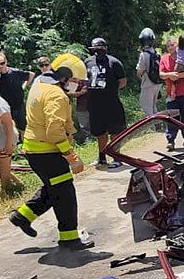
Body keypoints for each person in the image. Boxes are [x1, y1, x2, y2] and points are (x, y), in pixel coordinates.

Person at [10, 64, 94, 251]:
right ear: (65, 79)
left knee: (54, 188)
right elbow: (55, 131)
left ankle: (23, 216)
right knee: (65, 195)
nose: (78, 86)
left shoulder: (39, 85)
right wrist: (71, 156)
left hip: (35, 150)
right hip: (48, 152)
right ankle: (69, 238)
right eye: (76, 82)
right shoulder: (56, 95)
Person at [85, 38, 127, 168]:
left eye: (100, 49)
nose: (97, 52)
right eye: (95, 50)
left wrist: (109, 90)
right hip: (94, 104)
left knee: (115, 132)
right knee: (100, 132)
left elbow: (123, 82)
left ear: (106, 48)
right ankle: (102, 158)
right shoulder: (88, 62)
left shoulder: (114, 62)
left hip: (111, 103)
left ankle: (116, 158)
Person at [159, 38, 184, 151]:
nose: (171, 47)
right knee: (172, 118)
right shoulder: (164, 59)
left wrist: (178, 76)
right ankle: (171, 140)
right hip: (172, 95)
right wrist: (170, 74)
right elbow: (161, 74)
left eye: (173, 45)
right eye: (168, 46)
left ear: (177, 46)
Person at [0, 53, 35, 138]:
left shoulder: (15, 72)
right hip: (6, 107)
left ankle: (25, 146)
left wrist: (24, 86)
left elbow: (31, 74)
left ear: (6, 62)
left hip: (18, 104)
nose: (1, 66)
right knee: (9, 128)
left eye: (2, 63)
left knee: (22, 126)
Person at [136, 28, 163, 117]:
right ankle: (157, 124)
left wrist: (140, 77)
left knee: (146, 108)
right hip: (157, 83)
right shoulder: (157, 53)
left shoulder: (143, 54)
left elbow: (139, 71)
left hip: (147, 84)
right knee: (153, 105)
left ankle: (151, 128)